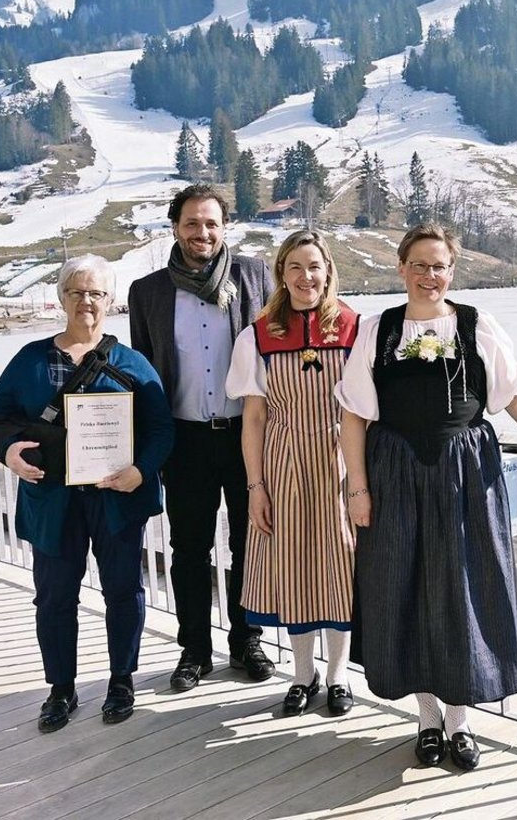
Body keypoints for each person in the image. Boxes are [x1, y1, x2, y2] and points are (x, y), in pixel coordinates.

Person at [336, 223, 517, 771]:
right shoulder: (377, 331)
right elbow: (354, 417)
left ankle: (460, 722)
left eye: (440, 266)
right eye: (420, 264)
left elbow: (514, 398)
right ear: (401, 267)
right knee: (402, 587)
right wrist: (357, 489)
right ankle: (427, 719)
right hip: (395, 475)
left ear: (451, 272)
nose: (430, 275)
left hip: (464, 478)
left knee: (462, 590)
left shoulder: (476, 325)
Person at [0, 255, 173, 732]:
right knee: (54, 598)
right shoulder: (30, 359)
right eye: (77, 292)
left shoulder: (132, 363)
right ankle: (61, 689)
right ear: (62, 297)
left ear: (110, 300)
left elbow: (161, 430)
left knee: (123, 591)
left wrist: (142, 472)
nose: (87, 301)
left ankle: (121, 681)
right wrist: (10, 454)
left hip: (116, 498)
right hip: (53, 499)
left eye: (97, 293)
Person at [128, 184, 276, 691]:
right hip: (185, 439)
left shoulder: (255, 276)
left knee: (249, 543)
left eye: (211, 223)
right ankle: (193, 649)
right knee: (189, 548)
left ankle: (247, 640)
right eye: (192, 223)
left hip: (247, 437)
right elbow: (143, 374)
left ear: (224, 226)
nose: (202, 233)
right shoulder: (147, 292)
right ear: (174, 227)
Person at [225, 230, 360, 717]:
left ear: (328, 272)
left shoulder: (354, 328)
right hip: (282, 462)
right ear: (282, 273)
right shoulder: (258, 336)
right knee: (296, 566)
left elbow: (364, 411)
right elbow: (254, 419)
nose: (307, 277)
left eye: (315, 267)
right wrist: (255, 486)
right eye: (296, 267)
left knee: (340, 567)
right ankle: (304, 676)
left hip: (340, 459)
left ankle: (340, 675)